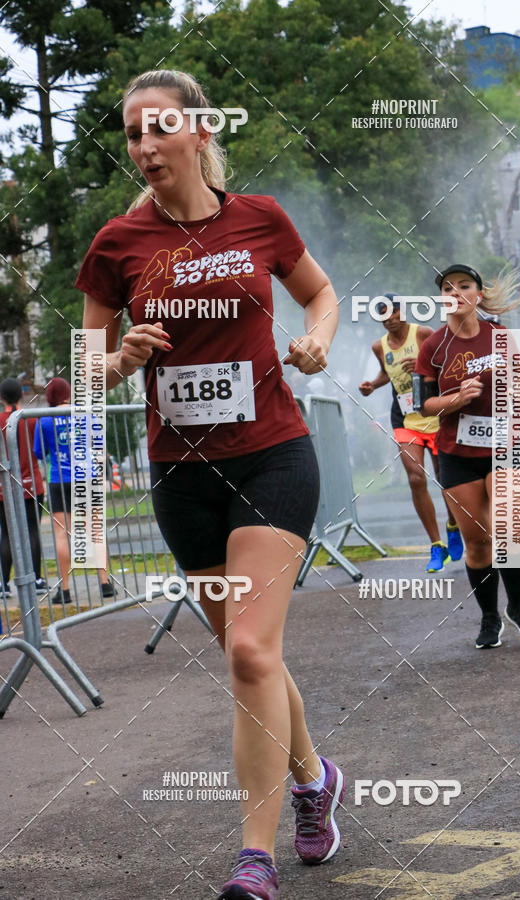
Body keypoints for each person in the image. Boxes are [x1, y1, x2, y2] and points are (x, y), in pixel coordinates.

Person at [76, 69, 344, 900]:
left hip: (272, 457)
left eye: (159, 128)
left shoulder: (258, 217)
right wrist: (119, 360)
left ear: (200, 131)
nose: (144, 146)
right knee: (247, 653)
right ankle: (315, 779)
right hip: (182, 477)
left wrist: (317, 341)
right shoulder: (116, 244)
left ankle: (254, 859)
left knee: (251, 651)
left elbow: (320, 294)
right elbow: (88, 368)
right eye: (132, 134)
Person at [415, 264, 520, 649]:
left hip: (506, 441)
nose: (455, 292)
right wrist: (457, 399)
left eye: (464, 285)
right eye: (447, 288)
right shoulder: (432, 347)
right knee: (476, 542)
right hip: (457, 451)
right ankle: (490, 617)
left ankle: (519, 607)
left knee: (508, 529)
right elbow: (424, 406)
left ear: (478, 294)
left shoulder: (501, 336)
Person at [359, 296, 463, 571]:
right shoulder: (378, 346)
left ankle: (453, 525)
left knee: (444, 477)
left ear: (403, 312)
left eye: (394, 312)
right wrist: (372, 385)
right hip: (405, 418)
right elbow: (387, 373)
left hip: (435, 414)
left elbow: (448, 364)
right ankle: (436, 546)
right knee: (416, 477)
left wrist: (421, 363)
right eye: (384, 315)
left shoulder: (424, 334)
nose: (390, 318)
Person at [33, 377, 116, 606]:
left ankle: (65, 589)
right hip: (87, 476)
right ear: (68, 393)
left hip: (59, 479)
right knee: (95, 530)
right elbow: (99, 443)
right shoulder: (86, 413)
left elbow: (39, 452)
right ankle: (105, 583)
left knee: (61, 534)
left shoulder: (45, 418)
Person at [0, 378, 47, 596]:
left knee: (7, 534)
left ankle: (3, 584)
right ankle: (36, 579)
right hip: (31, 484)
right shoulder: (30, 419)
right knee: (32, 531)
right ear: (21, 395)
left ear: (1, 398)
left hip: (4, 486)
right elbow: (40, 450)